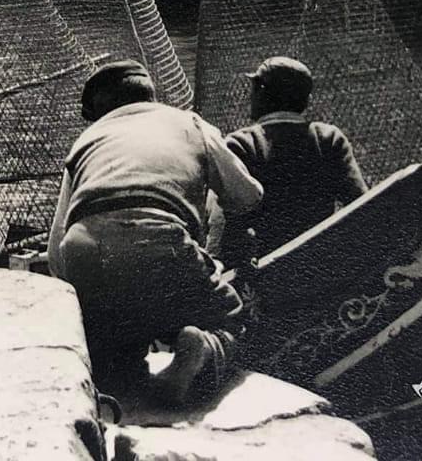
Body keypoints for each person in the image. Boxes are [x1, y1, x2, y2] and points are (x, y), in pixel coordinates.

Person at [48, 59, 263, 404]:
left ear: (99, 112)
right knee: (234, 321)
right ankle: (201, 348)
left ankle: (117, 366)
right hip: (161, 238)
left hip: (83, 246)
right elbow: (248, 196)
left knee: (112, 352)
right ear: (150, 97)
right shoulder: (190, 124)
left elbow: (56, 253)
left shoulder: (86, 141)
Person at [222, 56, 368, 264]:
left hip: (265, 269)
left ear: (262, 93)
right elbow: (360, 204)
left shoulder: (241, 144)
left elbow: (228, 224)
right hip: (320, 261)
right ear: (305, 100)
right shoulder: (328, 138)